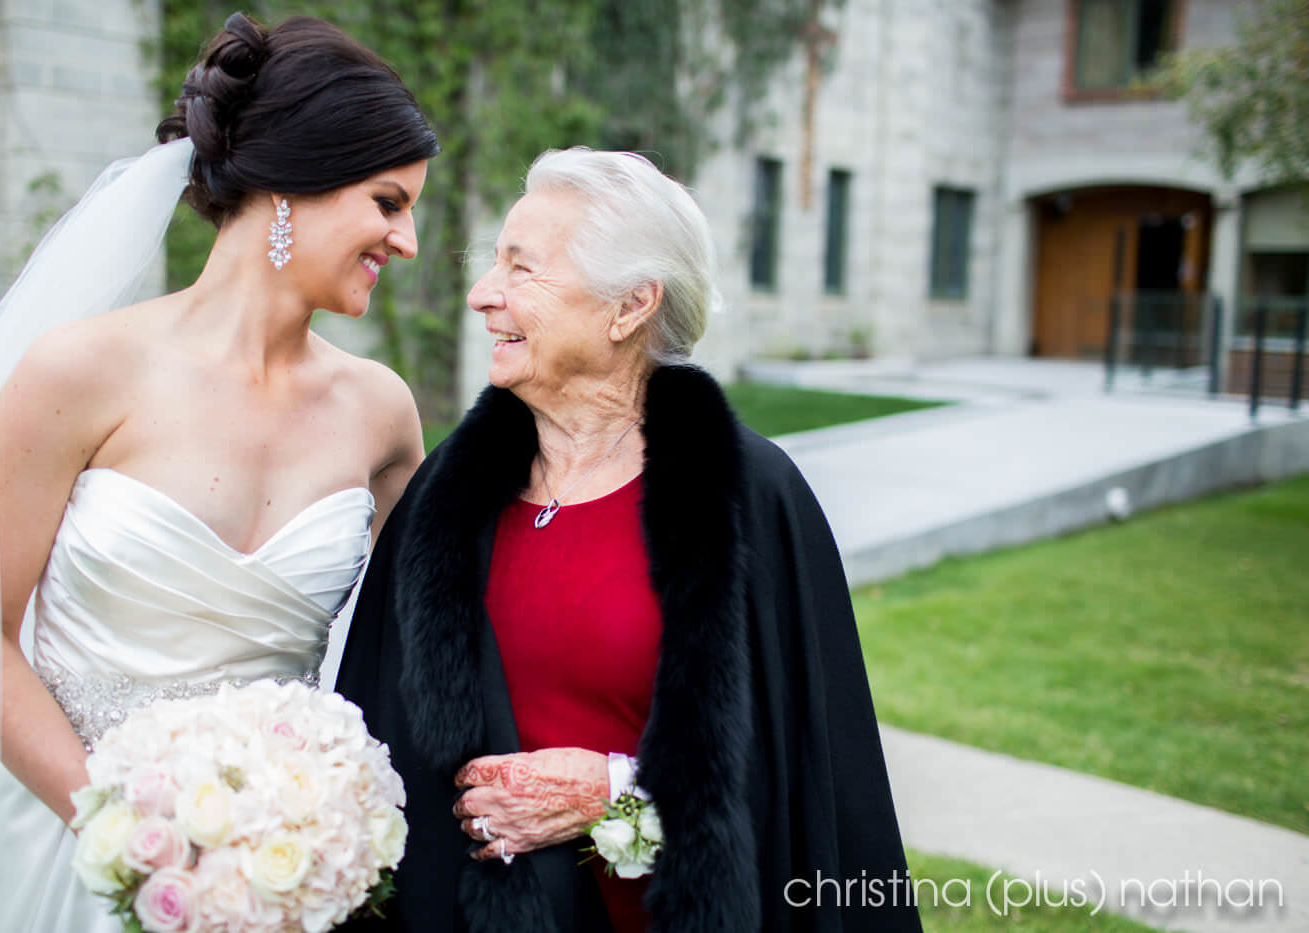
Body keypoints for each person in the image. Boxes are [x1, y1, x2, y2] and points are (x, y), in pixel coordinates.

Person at [0, 12, 438, 932]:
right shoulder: (76, 372)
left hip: (283, 881)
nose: (408, 240)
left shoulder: (381, 413)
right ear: (290, 188)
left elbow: (421, 651)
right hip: (75, 858)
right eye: (388, 202)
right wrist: (133, 839)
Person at [336, 148, 922, 932]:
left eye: (522, 269)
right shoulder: (450, 492)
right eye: (493, 264)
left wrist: (615, 791)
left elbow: (804, 779)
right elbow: (379, 731)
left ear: (630, 306)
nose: (483, 295)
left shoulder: (748, 496)